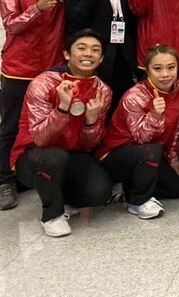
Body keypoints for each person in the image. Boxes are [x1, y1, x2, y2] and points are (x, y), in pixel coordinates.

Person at [10, 29, 112, 237]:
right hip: (34, 153)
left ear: (101, 59)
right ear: (67, 54)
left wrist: (92, 121)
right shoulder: (44, 82)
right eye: (81, 48)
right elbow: (40, 138)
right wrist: (62, 109)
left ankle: (62, 197)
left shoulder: (103, 90)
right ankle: (51, 215)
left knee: (100, 192)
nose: (88, 54)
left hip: (72, 152)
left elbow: (86, 145)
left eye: (95, 50)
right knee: (54, 158)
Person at [0, 0, 65, 210]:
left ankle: (36, 176)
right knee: (11, 126)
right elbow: (11, 26)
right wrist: (36, 9)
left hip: (52, 68)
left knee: (49, 128)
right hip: (18, 68)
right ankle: (4, 181)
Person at [97, 45, 179, 219]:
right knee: (152, 149)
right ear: (147, 70)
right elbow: (141, 137)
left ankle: (125, 187)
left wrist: (173, 157)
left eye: (171, 68)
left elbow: (177, 125)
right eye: (157, 68)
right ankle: (138, 201)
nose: (165, 74)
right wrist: (155, 115)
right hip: (117, 153)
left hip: (148, 154)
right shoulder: (135, 96)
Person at [64, 0, 137, 111]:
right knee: (96, 108)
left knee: (122, 106)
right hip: (95, 56)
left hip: (123, 54)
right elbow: (75, 21)